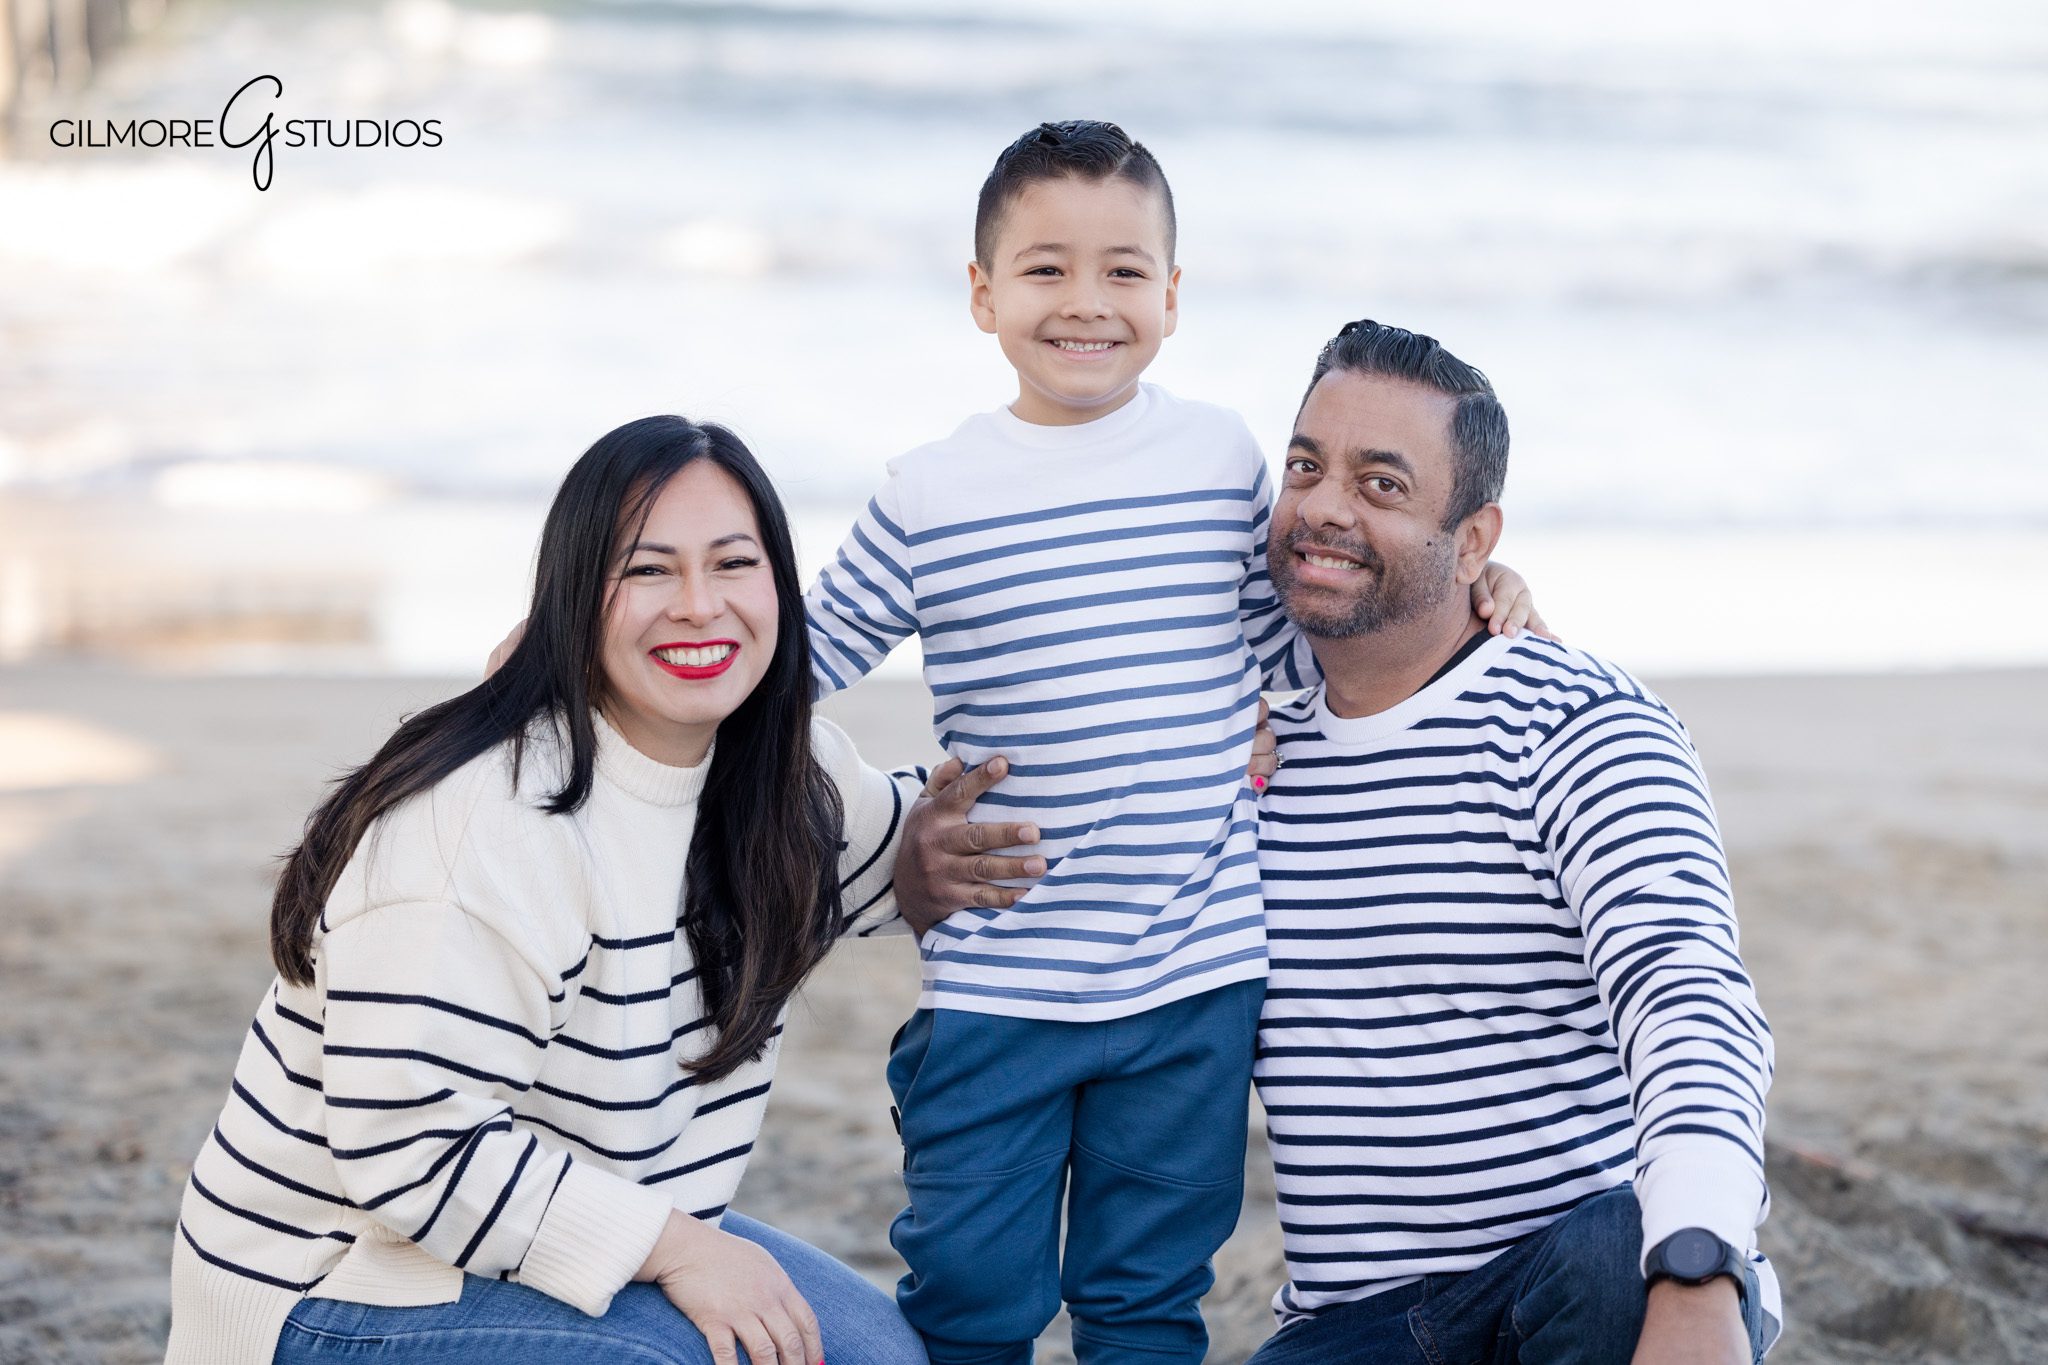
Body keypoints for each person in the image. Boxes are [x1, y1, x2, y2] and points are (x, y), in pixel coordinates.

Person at [801, 121, 1541, 1365]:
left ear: (1172, 296)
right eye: (1044, 268)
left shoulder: (1216, 459)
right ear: (981, 293)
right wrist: (580, 660)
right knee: (970, 1295)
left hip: (1193, 981)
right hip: (997, 983)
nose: (1085, 301)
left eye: (1123, 270)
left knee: (1144, 1300)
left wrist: (1481, 583)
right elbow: (788, 666)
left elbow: (1300, 639)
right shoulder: (928, 494)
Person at [165, 416, 1037, 1365]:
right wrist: (684, 1249)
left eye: (733, 564)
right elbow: (408, 1147)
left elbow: (906, 845)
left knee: (882, 1359)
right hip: (333, 1283)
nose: (699, 606)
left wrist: (940, 852)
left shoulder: (782, 774)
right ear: (576, 595)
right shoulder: (485, 818)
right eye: (648, 570)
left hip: (575, 1226)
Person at [1245, 321, 1780, 1363]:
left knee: (1620, 1247)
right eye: (1305, 466)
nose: (1323, 507)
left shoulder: (1579, 725)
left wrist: (1699, 1267)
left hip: (1569, 1287)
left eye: (1381, 484)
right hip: (1348, 1330)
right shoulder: (1242, 739)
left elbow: (1688, 995)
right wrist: (923, 852)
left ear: (1474, 540)